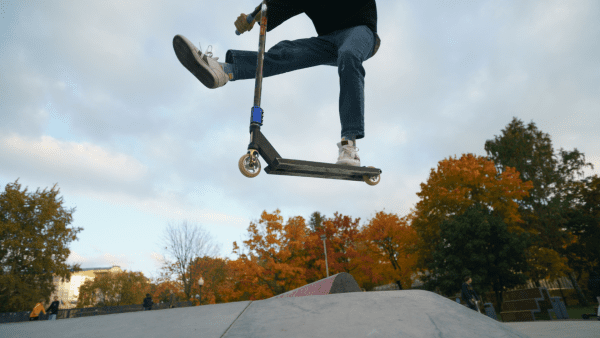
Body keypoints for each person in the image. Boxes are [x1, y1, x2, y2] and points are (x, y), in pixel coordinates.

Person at [173, 0, 381, 167]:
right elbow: (277, 4)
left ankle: (349, 145)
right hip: (327, 41)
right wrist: (253, 17)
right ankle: (224, 71)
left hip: (361, 33)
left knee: (349, 55)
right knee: (286, 52)